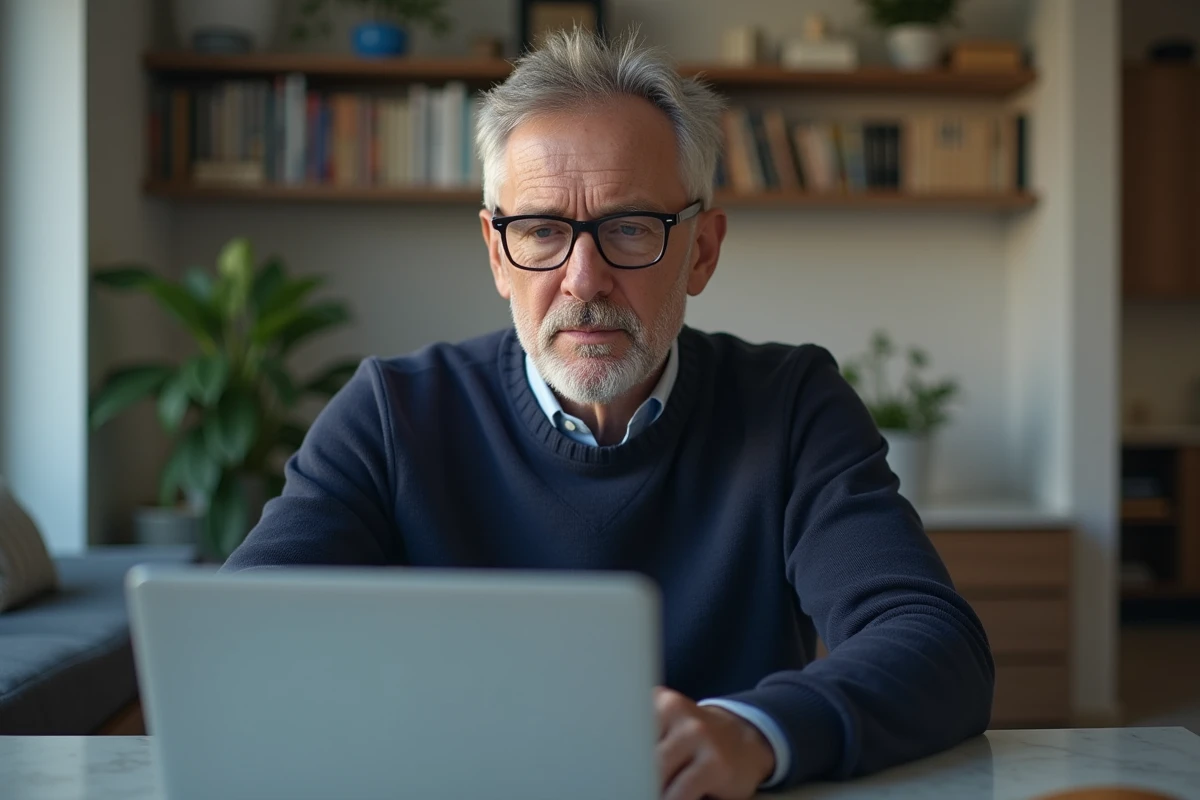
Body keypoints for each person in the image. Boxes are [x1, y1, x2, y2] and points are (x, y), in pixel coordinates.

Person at [223, 29, 994, 800]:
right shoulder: (393, 413)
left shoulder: (791, 405)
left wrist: (755, 730)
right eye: (540, 231)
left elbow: (935, 645)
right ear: (497, 253)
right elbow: (242, 645)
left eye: (629, 228)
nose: (582, 280)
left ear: (701, 250)